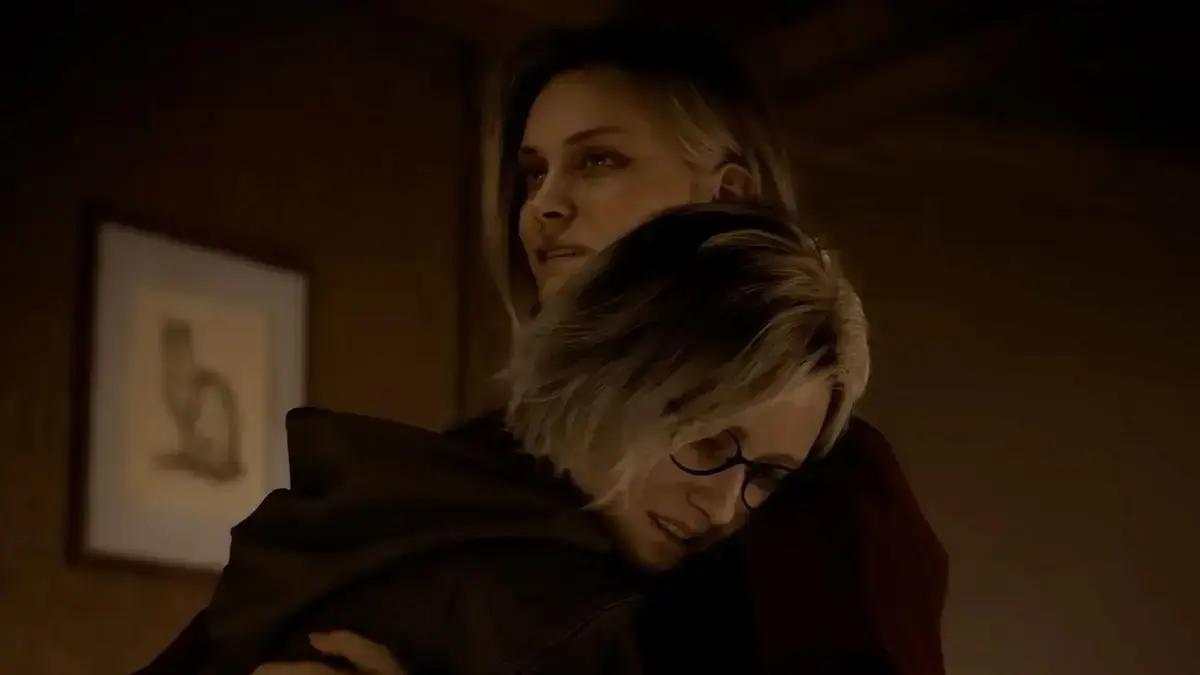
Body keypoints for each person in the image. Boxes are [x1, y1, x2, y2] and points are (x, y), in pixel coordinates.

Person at [144, 22, 947, 675]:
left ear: (724, 199)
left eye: (599, 161)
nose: (543, 207)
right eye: (532, 174)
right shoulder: (470, 459)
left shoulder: (826, 484)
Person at [138, 203, 869, 675]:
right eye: (708, 445)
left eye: (766, 475)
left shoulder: (383, 495)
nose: (722, 507)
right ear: (613, 371)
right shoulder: (575, 622)